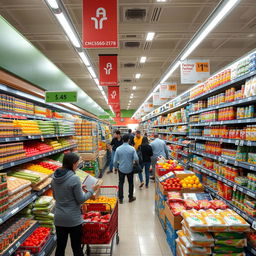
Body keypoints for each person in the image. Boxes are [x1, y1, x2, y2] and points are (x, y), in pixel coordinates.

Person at [52, 152, 99, 256]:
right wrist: (91, 190)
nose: (78, 165)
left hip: (59, 218)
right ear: (73, 164)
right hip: (73, 219)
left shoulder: (54, 177)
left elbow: (55, 197)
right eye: (77, 163)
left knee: (60, 248)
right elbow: (81, 199)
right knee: (76, 248)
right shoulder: (75, 178)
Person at [113, 134, 139, 204]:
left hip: (121, 168)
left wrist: (116, 168)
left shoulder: (118, 149)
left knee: (121, 183)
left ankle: (120, 199)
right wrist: (135, 163)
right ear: (128, 140)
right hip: (130, 168)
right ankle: (130, 197)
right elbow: (136, 158)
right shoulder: (132, 148)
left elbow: (115, 161)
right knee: (131, 183)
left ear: (122, 140)